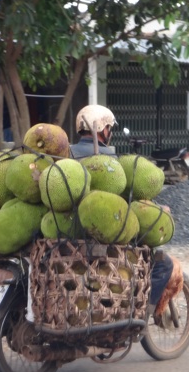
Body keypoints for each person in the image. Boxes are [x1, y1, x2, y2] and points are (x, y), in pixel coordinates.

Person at [69, 104, 173, 313]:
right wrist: (156, 209)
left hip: (68, 229)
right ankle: (142, 313)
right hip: (102, 234)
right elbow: (126, 199)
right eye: (109, 128)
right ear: (103, 130)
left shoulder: (66, 153)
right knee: (164, 265)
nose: (110, 133)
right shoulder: (111, 160)